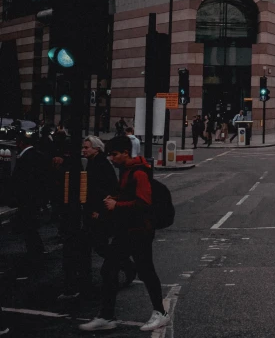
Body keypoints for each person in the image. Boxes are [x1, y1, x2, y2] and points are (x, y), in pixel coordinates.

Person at [80, 136, 170, 332]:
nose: (111, 158)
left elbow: (144, 204)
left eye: (114, 154)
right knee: (109, 269)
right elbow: (131, 197)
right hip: (127, 229)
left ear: (125, 153)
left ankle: (159, 313)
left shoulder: (138, 173)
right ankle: (106, 316)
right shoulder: (127, 171)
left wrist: (116, 204)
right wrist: (116, 198)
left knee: (146, 271)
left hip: (139, 230)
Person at [63, 136, 135, 299]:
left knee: (98, 246)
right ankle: (124, 266)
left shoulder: (100, 164)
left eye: (87, 147)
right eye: (83, 147)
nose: (84, 150)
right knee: (95, 245)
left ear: (96, 149)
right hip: (94, 211)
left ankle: (124, 268)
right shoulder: (94, 162)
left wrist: (98, 210)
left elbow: (105, 189)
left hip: (100, 213)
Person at [10, 132, 47, 260]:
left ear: (20, 143)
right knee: (30, 224)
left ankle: (35, 250)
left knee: (28, 224)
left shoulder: (25, 158)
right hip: (35, 196)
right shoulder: (38, 155)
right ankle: (37, 248)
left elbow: (22, 180)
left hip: (27, 197)